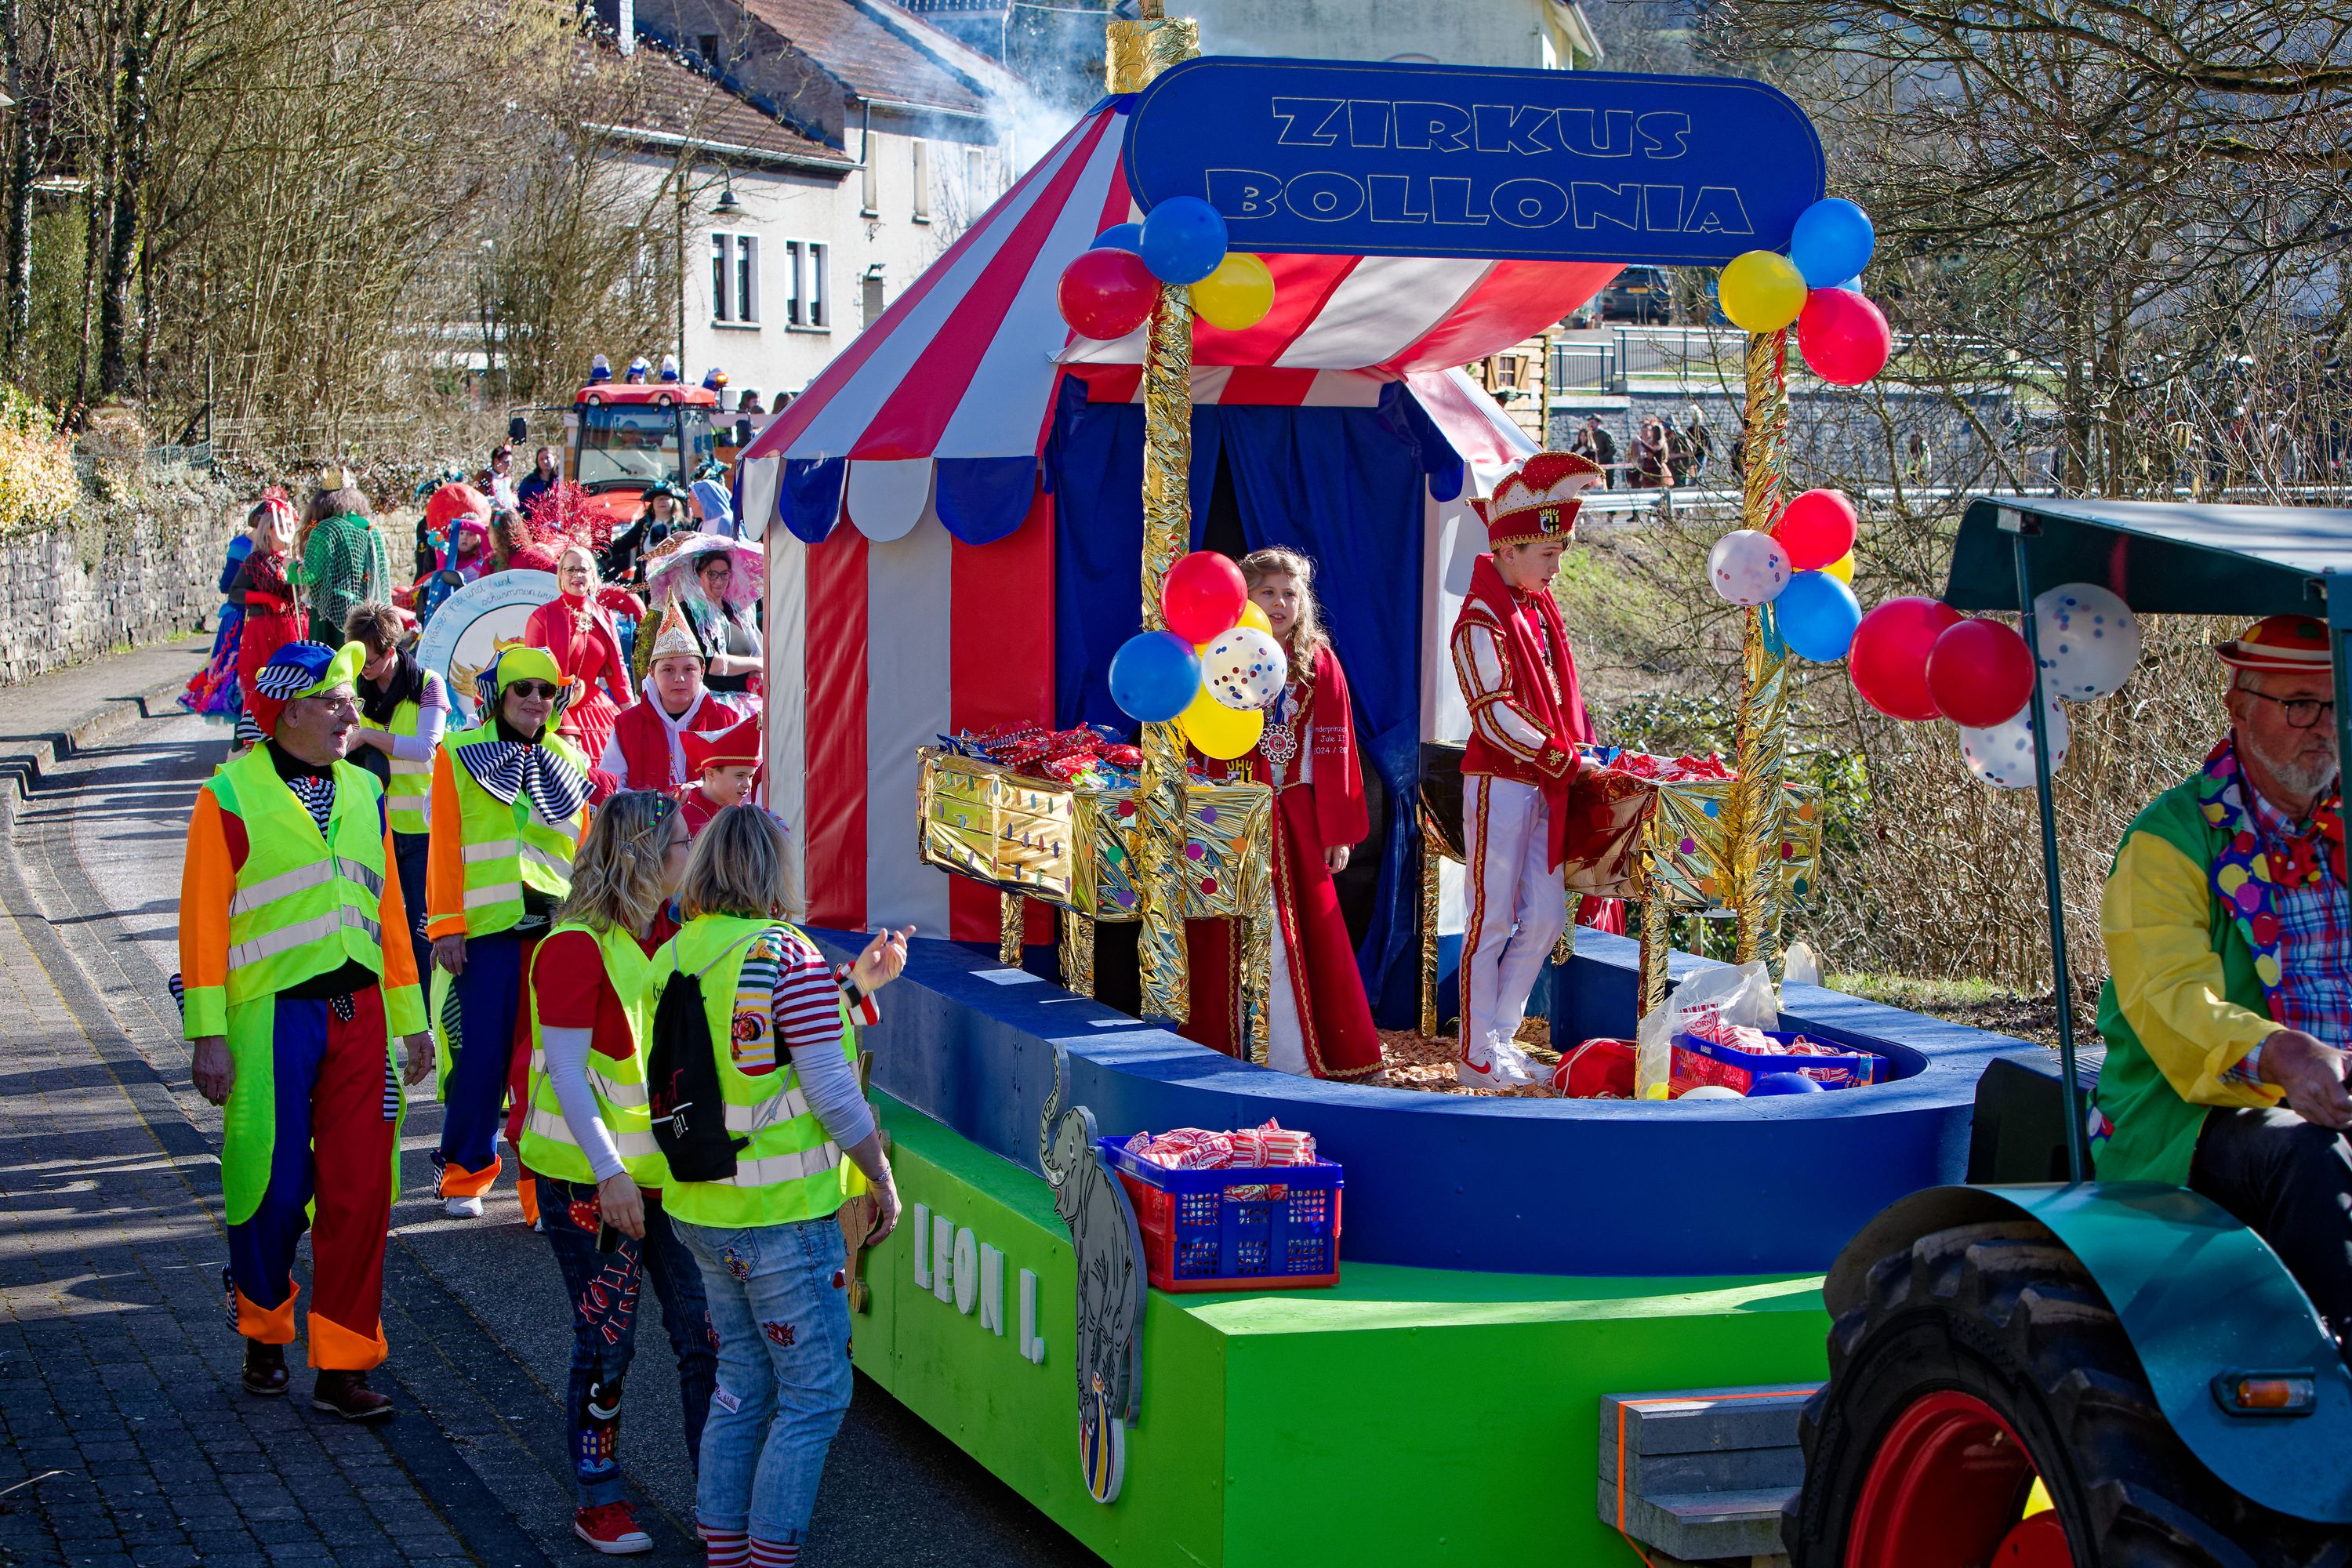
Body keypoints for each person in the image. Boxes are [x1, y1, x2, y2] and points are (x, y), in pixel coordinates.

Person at [177, 640, 433, 1419]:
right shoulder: (228, 796)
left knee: (362, 1191)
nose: (351, 713)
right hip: (270, 1021)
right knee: (272, 1183)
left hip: (359, 1020)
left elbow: (389, 916)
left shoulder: (366, 790)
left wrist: (414, 1021)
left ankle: (344, 1363)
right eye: (335, 701)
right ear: (288, 709)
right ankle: (262, 1327)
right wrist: (207, 1032)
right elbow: (201, 925)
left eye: (351, 699)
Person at [2094, 614, 2352, 1359]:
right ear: (2239, 708)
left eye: (2338, 705)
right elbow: (2176, 1004)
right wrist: (2288, 1060)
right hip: (2199, 1119)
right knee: (2310, 1151)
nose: (2324, 728)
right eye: (2301, 704)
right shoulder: (2170, 841)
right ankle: (2329, 1377)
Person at [654, 805, 906, 1568]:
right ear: (775, 871)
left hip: (703, 1208)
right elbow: (828, 1088)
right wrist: (879, 1175)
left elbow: (749, 1055)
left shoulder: (679, 952)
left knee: (741, 1381)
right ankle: (767, 1558)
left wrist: (854, 986)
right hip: (783, 1219)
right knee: (814, 1393)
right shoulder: (785, 954)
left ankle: (726, 1552)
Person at [518, 791, 715, 1555]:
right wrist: (610, 1175)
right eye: (678, 845)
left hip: (661, 1178)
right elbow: (567, 1074)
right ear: (642, 854)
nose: (689, 858)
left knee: (704, 1332)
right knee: (608, 1339)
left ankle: (718, 1497)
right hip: (592, 1182)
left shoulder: (665, 934)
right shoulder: (575, 945)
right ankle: (597, 1499)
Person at [1185, 549, 1382, 1081]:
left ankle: (1293, 1058)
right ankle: (1221, 1049)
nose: (1280, 602)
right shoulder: (1216, 653)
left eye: (1290, 593)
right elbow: (1197, 736)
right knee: (1223, 933)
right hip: (1226, 815)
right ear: (1245, 597)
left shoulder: (1317, 661)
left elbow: (1334, 747)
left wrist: (1337, 829)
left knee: (1291, 937)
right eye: (1268, 592)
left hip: (1292, 815)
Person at [1448, 451, 1603, 1088]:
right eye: (1548, 554)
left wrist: (1575, 755)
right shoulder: (1480, 619)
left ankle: (1500, 1038)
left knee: (1544, 918)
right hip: (1503, 783)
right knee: (1490, 917)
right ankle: (1475, 1052)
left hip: (1547, 781)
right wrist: (1565, 757)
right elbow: (1493, 714)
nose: (1558, 568)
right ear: (1508, 550)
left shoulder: (1539, 611)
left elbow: (1559, 702)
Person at [426, 646, 593, 1224]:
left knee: (544, 1067)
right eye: (523, 688)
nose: (535, 701)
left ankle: (538, 1192)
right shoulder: (457, 754)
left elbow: (584, 855)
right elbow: (444, 846)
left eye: (546, 691)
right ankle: (463, 1175)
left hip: (554, 938)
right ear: (500, 693)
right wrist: (445, 925)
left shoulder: (571, 758)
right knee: (478, 1062)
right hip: (484, 939)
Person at [343, 603, 448, 984]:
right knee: (374, 925)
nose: (362, 669)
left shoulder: (428, 684)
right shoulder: (353, 686)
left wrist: (369, 735)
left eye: (368, 661)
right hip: (372, 827)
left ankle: (424, 1019)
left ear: (391, 651)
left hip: (422, 828)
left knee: (422, 928)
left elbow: (425, 747)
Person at [601, 604, 750, 793]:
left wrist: (698, 791)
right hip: (644, 821)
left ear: (702, 672)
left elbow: (739, 784)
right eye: (668, 670)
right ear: (652, 674)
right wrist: (653, 805)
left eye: (689, 669)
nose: (679, 679)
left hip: (709, 822)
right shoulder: (627, 724)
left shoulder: (725, 720)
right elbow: (611, 786)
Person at [525, 546, 635, 766]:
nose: (577, 575)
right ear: (561, 576)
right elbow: (533, 672)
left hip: (597, 706)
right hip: (554, 708)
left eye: (583, 569)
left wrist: (631, 711)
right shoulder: (542, 616)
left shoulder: (602, 615)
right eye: (570, 570)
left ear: (593, 576)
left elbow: (618, 668)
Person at [233, 490, 307, 747]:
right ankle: (255, 739)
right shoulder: (256, 560)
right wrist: (266, 599)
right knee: (262, 683)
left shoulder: (290, 562)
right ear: (268, 531)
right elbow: (236, 592)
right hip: (263, 630)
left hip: (288, 628)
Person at [182, 494, 265, 722]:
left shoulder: (261, 547)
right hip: (240, 618)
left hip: (255, 618)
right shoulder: (242, 546)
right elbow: (227, 585)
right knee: (235, 674)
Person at [648, 539, 761, 695]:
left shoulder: (734, 611)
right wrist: (756, 664)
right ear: (697, 576)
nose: (719, 581)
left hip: (745, 699)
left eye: (724, 574)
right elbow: (711, 664)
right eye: (712, 574)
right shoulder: (689, 612)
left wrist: (754, 671)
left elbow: (748, 652)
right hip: (713, 703)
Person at [301, 469, 394, 646]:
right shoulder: (370, 529)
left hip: (330, 616)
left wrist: (292, 568)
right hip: (367, 614)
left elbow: (310, 576)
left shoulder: (325, 529)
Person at [677, 714, 760, 838]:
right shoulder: (683, 820)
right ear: (711, 774)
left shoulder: (744, 817)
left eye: (750, 777)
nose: (747, 784)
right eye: (740, 776)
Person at [603, 485, 688, 590]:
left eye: (666, 498)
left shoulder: (684, 526)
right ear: (652, 504)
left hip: (676, 582)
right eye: (658, 499)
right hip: (648, 582)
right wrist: (602, 550)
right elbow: (625, 542)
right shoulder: (644, 525)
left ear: (674, 502)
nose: (662, 502)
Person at [1574, 415, 1618, 489]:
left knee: (1608, 484)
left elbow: (1612, 450)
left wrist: (1601, 459)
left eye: (1593, 423)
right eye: (1590, 423)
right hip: (1594, 465)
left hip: (1606, 464)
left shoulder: (1605, 435)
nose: (1591, 425)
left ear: (1598, 423)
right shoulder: (1588, 435)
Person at [517, 447, 560, 512]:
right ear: (537, 462)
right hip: (534, 519)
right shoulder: (529, 481)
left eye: (548, 458)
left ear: (554, 459)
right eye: (541, 459)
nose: (545, 461)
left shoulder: (561, 480)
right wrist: (535, 507)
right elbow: (521, 503)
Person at [488, 445, 519, 511]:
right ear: (496, 461)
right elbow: (478, 499)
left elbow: (514, 494)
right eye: (506, 461)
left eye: (510, 462)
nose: (509, 465)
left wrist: (513, 499)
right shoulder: (484, 476)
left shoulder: (508, 479)